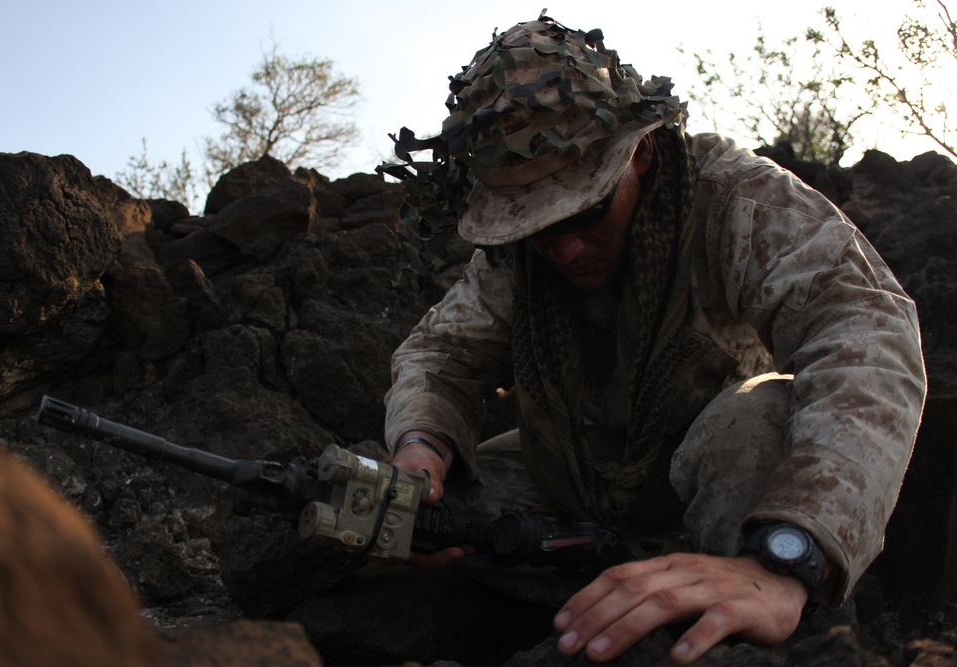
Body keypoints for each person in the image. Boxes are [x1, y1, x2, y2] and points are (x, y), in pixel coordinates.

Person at [380, 14, 926, 665]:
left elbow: (865, 330)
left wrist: (791, 553)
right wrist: (421, 449)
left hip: (728, 487)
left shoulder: (733, 198)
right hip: (586, 483)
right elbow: (439, 356)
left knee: (750, 426)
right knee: (422, 509)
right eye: (531, 227)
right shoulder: (517, 260)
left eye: (583, 210)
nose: (565, 247)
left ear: (638, 152)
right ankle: (619, 588)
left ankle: (759, 604)